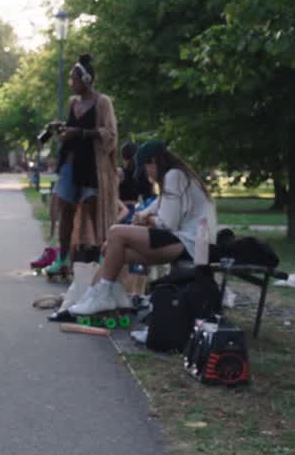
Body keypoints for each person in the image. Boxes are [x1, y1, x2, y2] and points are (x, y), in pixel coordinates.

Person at [69, 140, 216, 316]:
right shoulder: (177, 175)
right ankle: (102, 297)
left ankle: (100, 298)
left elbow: (166, 224)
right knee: (112, 249)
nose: (147, 173)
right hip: (188, 242)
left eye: (146, 167)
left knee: (116, 232)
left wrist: (146, 220)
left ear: (153, 161)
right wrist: (141, 216)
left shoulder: (173, 176)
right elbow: (153, 207)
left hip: (190, 245)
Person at [43, 54, 120, 278]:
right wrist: (62, 129)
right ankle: (63, 258)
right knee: (65, 208)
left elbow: (110, 135)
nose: (71, 83)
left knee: (93, 211)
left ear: (86, 80)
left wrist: (82, 133)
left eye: (74, 78)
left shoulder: (102, 102)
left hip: (93, 166)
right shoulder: (72, 102)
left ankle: (104, 260)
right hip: (71, 163)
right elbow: (71, 128)